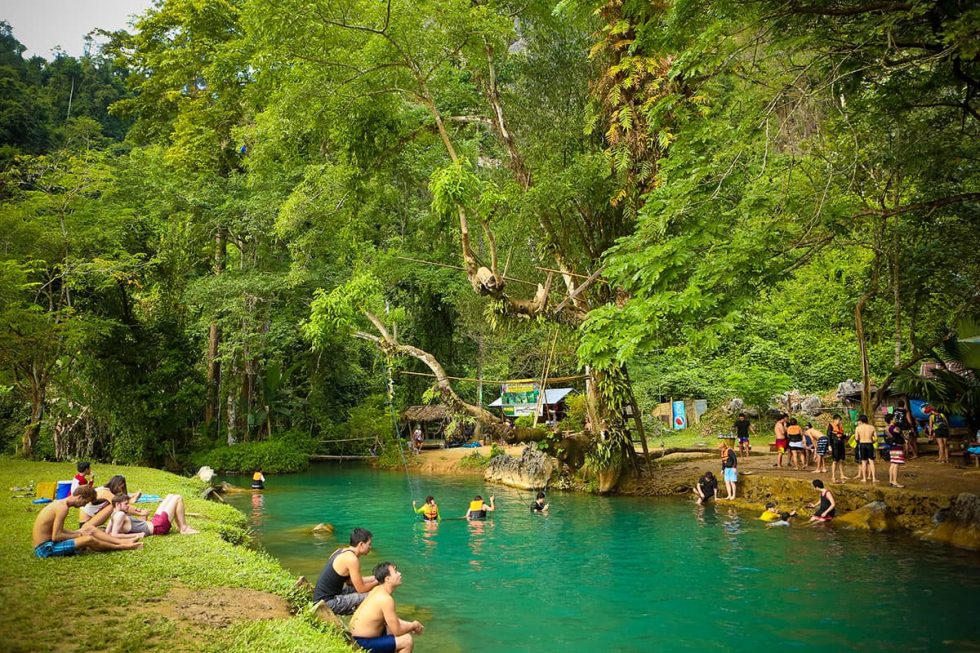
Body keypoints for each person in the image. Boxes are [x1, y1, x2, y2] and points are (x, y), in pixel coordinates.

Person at [32, 485, 143, 558]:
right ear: (79, 497)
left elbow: (57, 531)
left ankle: (121, 542)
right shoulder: (62, 508)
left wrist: (78, 533)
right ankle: (122, 546)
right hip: (46, 549)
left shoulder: (61, 503)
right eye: (85, 502)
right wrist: (79, 534)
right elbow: (56, 536)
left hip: (50, 541)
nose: (84, 505)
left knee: (89, 528)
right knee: (88, 539)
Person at [349, 562, 424, 653]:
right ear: (388, 579)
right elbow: (397, 630)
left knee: (392, 630)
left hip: (356, 636)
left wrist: (410, 625)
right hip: (361, 642)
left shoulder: (377, 590)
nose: (399, 573)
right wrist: (414, 625)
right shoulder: (386, 599)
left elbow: (393, 621)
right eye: (396, 572)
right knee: (407, 641)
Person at [313, 527, 379, 614]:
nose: (370, 547)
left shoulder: (340, 551)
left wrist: (375, 578)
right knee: (373, 596)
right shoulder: (352, 559)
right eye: (369, 544)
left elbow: (350, 582)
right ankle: (363, 625)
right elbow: (361, 589)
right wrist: (378, 581)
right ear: (361, 544)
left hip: (322, 598)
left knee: (372, 589)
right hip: (327, 603)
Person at [107, 493, 198, 536]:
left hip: (154, 523)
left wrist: (143, 519)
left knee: (170, 496)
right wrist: (138, 535)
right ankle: (183, 528)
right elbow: (114, 535)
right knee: (178, 498)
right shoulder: (119, 515)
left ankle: (180, 526)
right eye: (126, 504)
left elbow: (108, 533)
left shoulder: (113, 515)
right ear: (118, 505)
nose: (128, 506)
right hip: (159, 527)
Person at [79, 474, 144, 529]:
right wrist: (140, 512)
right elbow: (121, 505)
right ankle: (136, 522)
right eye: (120, 487)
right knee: (115, 505)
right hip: (86, 524)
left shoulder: (109, 492)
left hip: (92, 520)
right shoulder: (105, 492)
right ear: (116, 484)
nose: (120, 490)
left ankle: (131, 523)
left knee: (118, 505)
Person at [855, 414, 878, 483]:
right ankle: (873, 478)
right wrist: (872, 442)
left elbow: (856, 439)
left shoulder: (858, 428)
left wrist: (860, 439)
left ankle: (864, 478)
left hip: (862, 444)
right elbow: (876, 438)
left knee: (863, 462)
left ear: (861, 421)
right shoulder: (872, 427)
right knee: (871, 461)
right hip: (870, 444)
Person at [827, 414, 850, 483]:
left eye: (840, 421)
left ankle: (842, 475)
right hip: (835, 445)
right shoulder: (831, 426)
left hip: (841, 445)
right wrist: (829, 445)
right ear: (835, 420)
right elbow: (828, 435)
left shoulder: (840, 426)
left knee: (841, 460)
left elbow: (843, 436)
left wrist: (845, 435)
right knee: (835, 460)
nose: (840, 422)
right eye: (839, 420)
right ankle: (833, 476)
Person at [886, 414, 906, 487]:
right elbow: (898, 431)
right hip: (897, 448)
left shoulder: (888, 428)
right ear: (891, 420)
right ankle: (894, 481)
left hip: (894, 447)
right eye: (894, 418)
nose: (895, 419)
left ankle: (891, 481)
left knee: (893, 464)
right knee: (896, 464)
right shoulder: (892, 427)